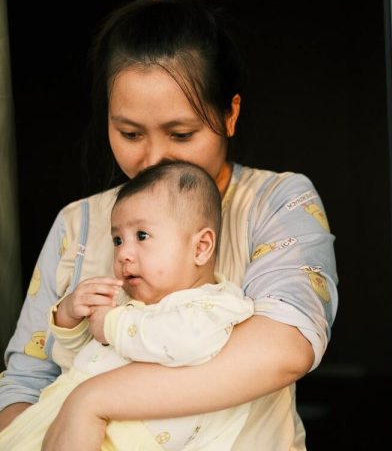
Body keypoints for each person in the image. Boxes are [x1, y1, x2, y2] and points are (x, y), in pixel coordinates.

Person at [0, 0, 338, 450]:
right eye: (130, 133)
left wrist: (91, 402)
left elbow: (284, 349)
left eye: (181, 134)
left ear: (230, 113)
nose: (153, 159)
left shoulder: (277, 202)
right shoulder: (78, 224)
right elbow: (25, 381)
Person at [0, 159, 258, 450]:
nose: (124, 253)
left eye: (142, 236)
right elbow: (79, 354)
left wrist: (111, 324)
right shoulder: (127, 301)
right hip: (61, 412)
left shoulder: (218, 305)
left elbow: (185, 342)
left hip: (128, 436)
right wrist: (70, 315)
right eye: (118, 239)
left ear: (200, 247)